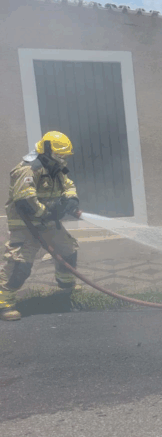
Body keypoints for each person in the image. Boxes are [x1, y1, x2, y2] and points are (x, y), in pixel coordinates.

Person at [0, 131, 81, 321]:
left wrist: (71, 198)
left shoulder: (55, 167)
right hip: (26, 225)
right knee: (20, 264)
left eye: (65, 156)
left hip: (48, 222)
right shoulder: (29, 169)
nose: (63, 160)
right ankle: (4, 303)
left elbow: (68, 184)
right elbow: (25, 200)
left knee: (68, 250)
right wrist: (47, 211)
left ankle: (65, 289)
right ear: (46, 151)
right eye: (60, 155)